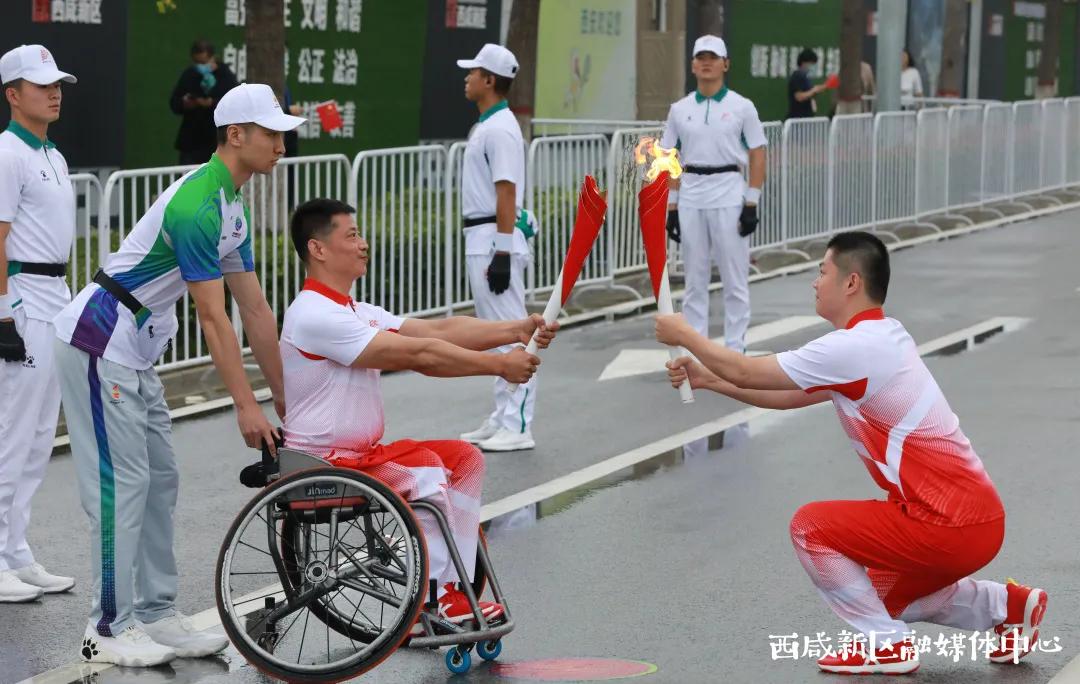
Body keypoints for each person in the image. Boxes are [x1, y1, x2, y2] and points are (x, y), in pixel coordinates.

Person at [656, 231, 1047, 675]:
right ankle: (1006, 606)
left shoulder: (853, 347)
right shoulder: (884, 337)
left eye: (822, 271)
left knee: (810, 527)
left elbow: (747, 370)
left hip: (945, 522)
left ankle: (887, 646)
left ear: (851, 282)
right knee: (877, 597)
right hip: (976, 521)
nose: (814, 281)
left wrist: (684, 334)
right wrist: (709, 379)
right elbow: (786, 395)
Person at [52, 83, 303, 667]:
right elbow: (214, 318)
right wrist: (246, 405)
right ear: (235, 135)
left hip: (134, 352)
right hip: (98, 341)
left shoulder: (231, 205)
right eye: (271, 134)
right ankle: (105, 628)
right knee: (123, 486)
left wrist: (285, 397)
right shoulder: (197, 205)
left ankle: (157, 613)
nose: (281, 145)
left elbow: (256, 310)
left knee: (160, 481)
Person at [280, 198, 557, 625]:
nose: (363, 244)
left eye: (360, 234)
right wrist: (499, 365)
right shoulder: (315, 315)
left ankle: (451, 587)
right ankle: (440, 598)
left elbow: (438, 330)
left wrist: (515, 329)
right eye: (351, 236)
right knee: (426, 471)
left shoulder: (354, 311)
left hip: (362, 458)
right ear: (318, 249)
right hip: (325, 463)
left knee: (464, 459)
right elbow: (421, 354)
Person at [0, 44, 78, 603]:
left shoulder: (52, 153)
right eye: (41, 85)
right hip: (23, 299)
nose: (54, 93)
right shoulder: (7, 153)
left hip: (55, 296)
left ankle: (16, 552)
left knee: (37, 435)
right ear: (12, 94)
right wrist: (4, 313)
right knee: (11, 432)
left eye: (57, 85)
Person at [456, 43, 540, 452]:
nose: (467, 78)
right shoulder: (488, 126)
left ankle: (518, 424)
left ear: (489, 80)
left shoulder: (500, 129)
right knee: (495, 335)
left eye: (473, 72)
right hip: (484, 236)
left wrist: (503, 251)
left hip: (494, 239)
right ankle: (503, 414)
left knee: (511, 334)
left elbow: (506, 192)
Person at [659, 35, 767, 354]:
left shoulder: (742, 107)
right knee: (695, 280)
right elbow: (669, 156)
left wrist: (752, 201)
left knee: (735, 278)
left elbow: (758, 152)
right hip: (691, 195)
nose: (707, 63)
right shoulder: (679, 110)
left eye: (713, 58)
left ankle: (735, 349)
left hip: (729, 193)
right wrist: (672, 206)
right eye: (701, 58)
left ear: (725, 64)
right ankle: (697, 351)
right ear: (693, 65)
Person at [169, 40, 240, 165]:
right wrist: (186, 104)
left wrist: (212, 103)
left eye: (203, 62)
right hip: (191, 140)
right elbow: (175, 102)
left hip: (217, 139)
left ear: (212, 57)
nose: (200, 66)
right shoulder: (190, 74)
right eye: (197, 62)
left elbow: (235, 101)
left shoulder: (225, 75)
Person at [787, 48, 828, 119]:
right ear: (804, 63)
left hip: (807, 117)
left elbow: (810, 95)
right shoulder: (797, 76)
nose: (813, 66)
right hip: (798, 118)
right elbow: (798, 96)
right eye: (811, 63)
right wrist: (814, 90)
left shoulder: (806, 77)